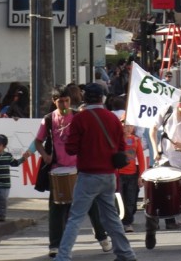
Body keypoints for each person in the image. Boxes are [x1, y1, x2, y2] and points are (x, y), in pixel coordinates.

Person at [54, 83, 135, 261]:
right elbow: (121, 147)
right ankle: (126, 254)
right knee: (111, 218)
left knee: (75, 218)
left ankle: (63, 256)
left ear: (85, 98)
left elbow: (70, 149)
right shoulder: (113, 118)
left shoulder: (80, 119)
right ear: (102, 99)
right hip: (109, 175)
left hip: (88, 176)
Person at [34, 88, 112, 258]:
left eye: (66, 101)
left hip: (80, 170)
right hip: (57, 169)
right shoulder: (48, 120)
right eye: (60, 101)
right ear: (54, 101)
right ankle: (55, 245)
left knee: (92, 207)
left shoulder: (78, 116)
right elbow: (38, 141)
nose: (64, 104)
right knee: (56, 209)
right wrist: (45, 155)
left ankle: (102, 237)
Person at [145, 90, 181, 250]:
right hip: (165, 160)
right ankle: (150, 230)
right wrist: (155, 150)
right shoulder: (167, 110)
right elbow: (153, 129)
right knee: (154, 197)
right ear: (180, 106)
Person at [0, 134, 30, 222]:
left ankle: (2, 216)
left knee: (3, 200)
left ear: (4, 146)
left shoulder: (8, 156)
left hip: (5, 184)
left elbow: (15, 163)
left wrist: (24, 158)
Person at [118, 113, 145, 233]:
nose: (127, 127)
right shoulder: (116, 140)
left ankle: (129, 218)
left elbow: (141, 158)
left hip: (132, 174)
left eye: (130, 125)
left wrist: (141, 176)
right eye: (124, 123)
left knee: (131, 200)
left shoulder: (136, 140)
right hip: (119, 174)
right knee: (121, 200)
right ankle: (126, 222)